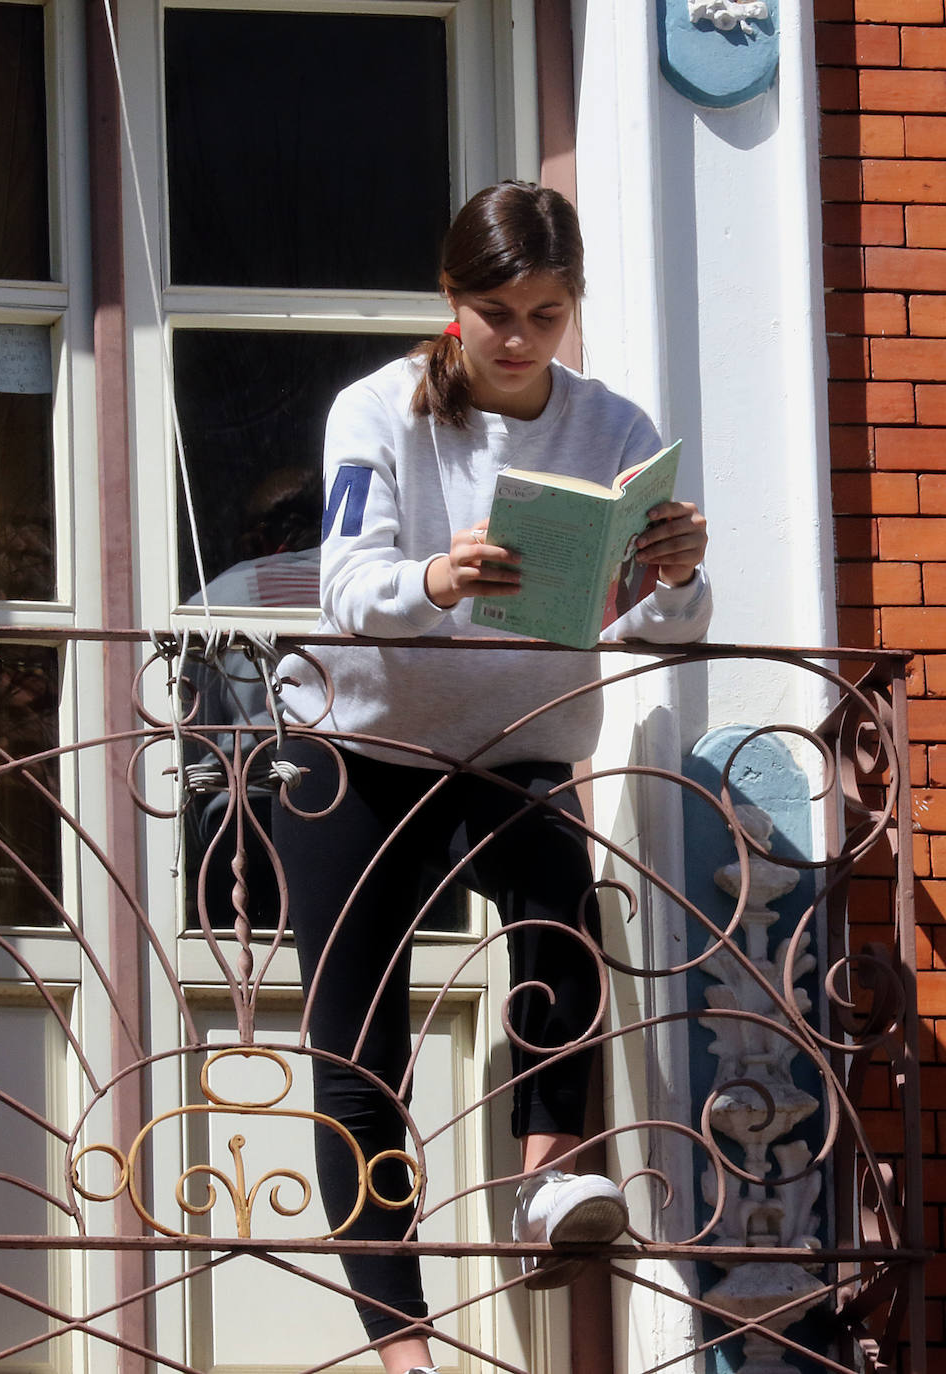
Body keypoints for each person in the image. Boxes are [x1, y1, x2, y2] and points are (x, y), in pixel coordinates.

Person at [272, 181, 711, 1374]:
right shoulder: (376, 412)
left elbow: (667, 633)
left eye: (547, 314)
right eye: (495, 312)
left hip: (515, 746)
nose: (519, 340)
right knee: (357, 1053)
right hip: (358, 750)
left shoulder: (613, 429)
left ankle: (544, 1182)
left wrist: (676, 574)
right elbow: (342, 588)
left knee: (561, 907)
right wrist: (440, 580)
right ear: (450, 301)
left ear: (574, 311)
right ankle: (405, 1352)